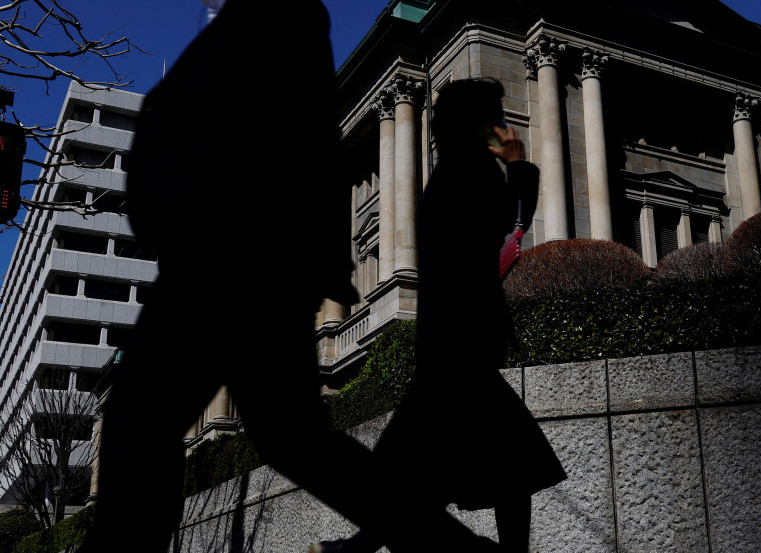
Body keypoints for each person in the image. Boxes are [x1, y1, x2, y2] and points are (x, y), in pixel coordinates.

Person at [80, 2, 500, 552]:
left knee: (149, 429)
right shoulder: (252, 23)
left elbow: (306, 140)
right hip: (225, 262)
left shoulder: (284, 17)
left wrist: (316, 259)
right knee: (291, 440)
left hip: (232, 263)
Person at [311, 79, 566, 553]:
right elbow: (509, 225)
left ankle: (357, 547)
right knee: (507, 462)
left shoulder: (449, 172)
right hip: (460, 345)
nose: (504, 125)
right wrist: (518, 165)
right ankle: (356, 548)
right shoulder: (471, 173)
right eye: (496, 115)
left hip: (449, 344)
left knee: (453, 466)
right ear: (479, 123)